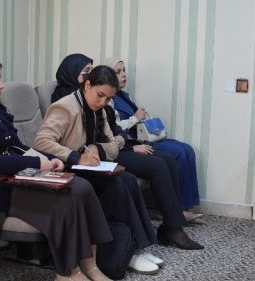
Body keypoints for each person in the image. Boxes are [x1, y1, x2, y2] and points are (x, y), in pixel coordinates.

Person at [0, 54, 117, 281]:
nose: (1, 85)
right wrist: (35, 162)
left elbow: (17, 145)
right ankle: (67, 274)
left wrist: (49, 159)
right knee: (64, 200)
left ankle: (90, 266)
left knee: (82, 187)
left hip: (19, 177)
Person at [52, 55, 201, 252]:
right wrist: (115, 145)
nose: (90, 75)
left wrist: (121, 140)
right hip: (94, 154)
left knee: (168, 159)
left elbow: (112, 128)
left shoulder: (101, 99)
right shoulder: (66, 101)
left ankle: (172, 223)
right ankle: (167, 230)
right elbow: (54, 140)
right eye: (86, 72)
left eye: (91, 70)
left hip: (111, 147)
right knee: (156, 165)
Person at [33, 66, 164, 278]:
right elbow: (41, 142)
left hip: (88, 167)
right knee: (116, 186)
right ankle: (126, 252)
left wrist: (97, 148)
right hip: (66, 169)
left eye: (108, 98)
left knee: (128, 180)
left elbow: (113, 146)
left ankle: (136, 246)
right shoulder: (65, 107)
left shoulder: (99, 110)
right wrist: (75, 156)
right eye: (100, 95)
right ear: (87, 85)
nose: (103, 102)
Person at [104, 57, 204, 222]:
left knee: (187, 149)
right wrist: (135, 118)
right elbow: (112, 126)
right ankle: (178, 208)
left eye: (124, 70)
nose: (123, 75)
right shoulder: (108, 99)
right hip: (132, 141)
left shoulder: (124, 95)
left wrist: (139, 117)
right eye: (118, 72)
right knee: (177, 153)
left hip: (141, 136)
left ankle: (187, 206)